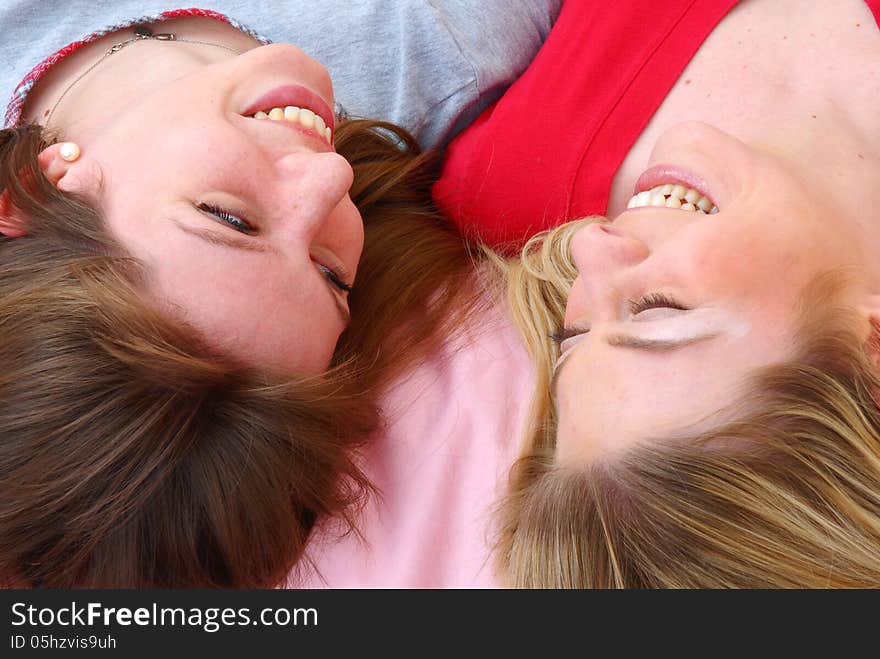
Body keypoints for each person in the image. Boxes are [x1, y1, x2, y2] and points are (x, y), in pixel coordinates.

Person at [0, 2, 562, 587]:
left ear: (35, 189)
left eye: (230, 220)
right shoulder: (443, 40)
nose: (332, 179)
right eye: (330, 275)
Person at [428, 0, 880, 587]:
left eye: (572, 334)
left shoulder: (507, 185)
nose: (589, 251)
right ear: (868, 355)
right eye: (658, 310)